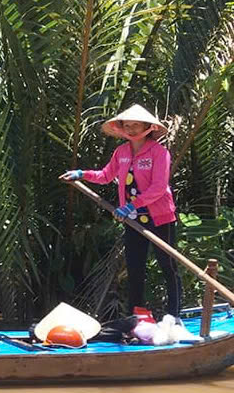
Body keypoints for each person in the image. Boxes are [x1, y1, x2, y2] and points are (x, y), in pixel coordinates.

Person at [60, 104, 182, 317]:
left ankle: (176, 316)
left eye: (136, 125)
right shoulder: (122, 152)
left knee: (168, 268)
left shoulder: (159, 153)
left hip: (160, 218)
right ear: (121, 128)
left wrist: (131, 206)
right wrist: (82, 174)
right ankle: (137, 318)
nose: (132, 129)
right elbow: (105, 176)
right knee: (135, 269)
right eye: (128, 125)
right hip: (133, 220)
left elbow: (159, 188)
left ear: (147, 127)